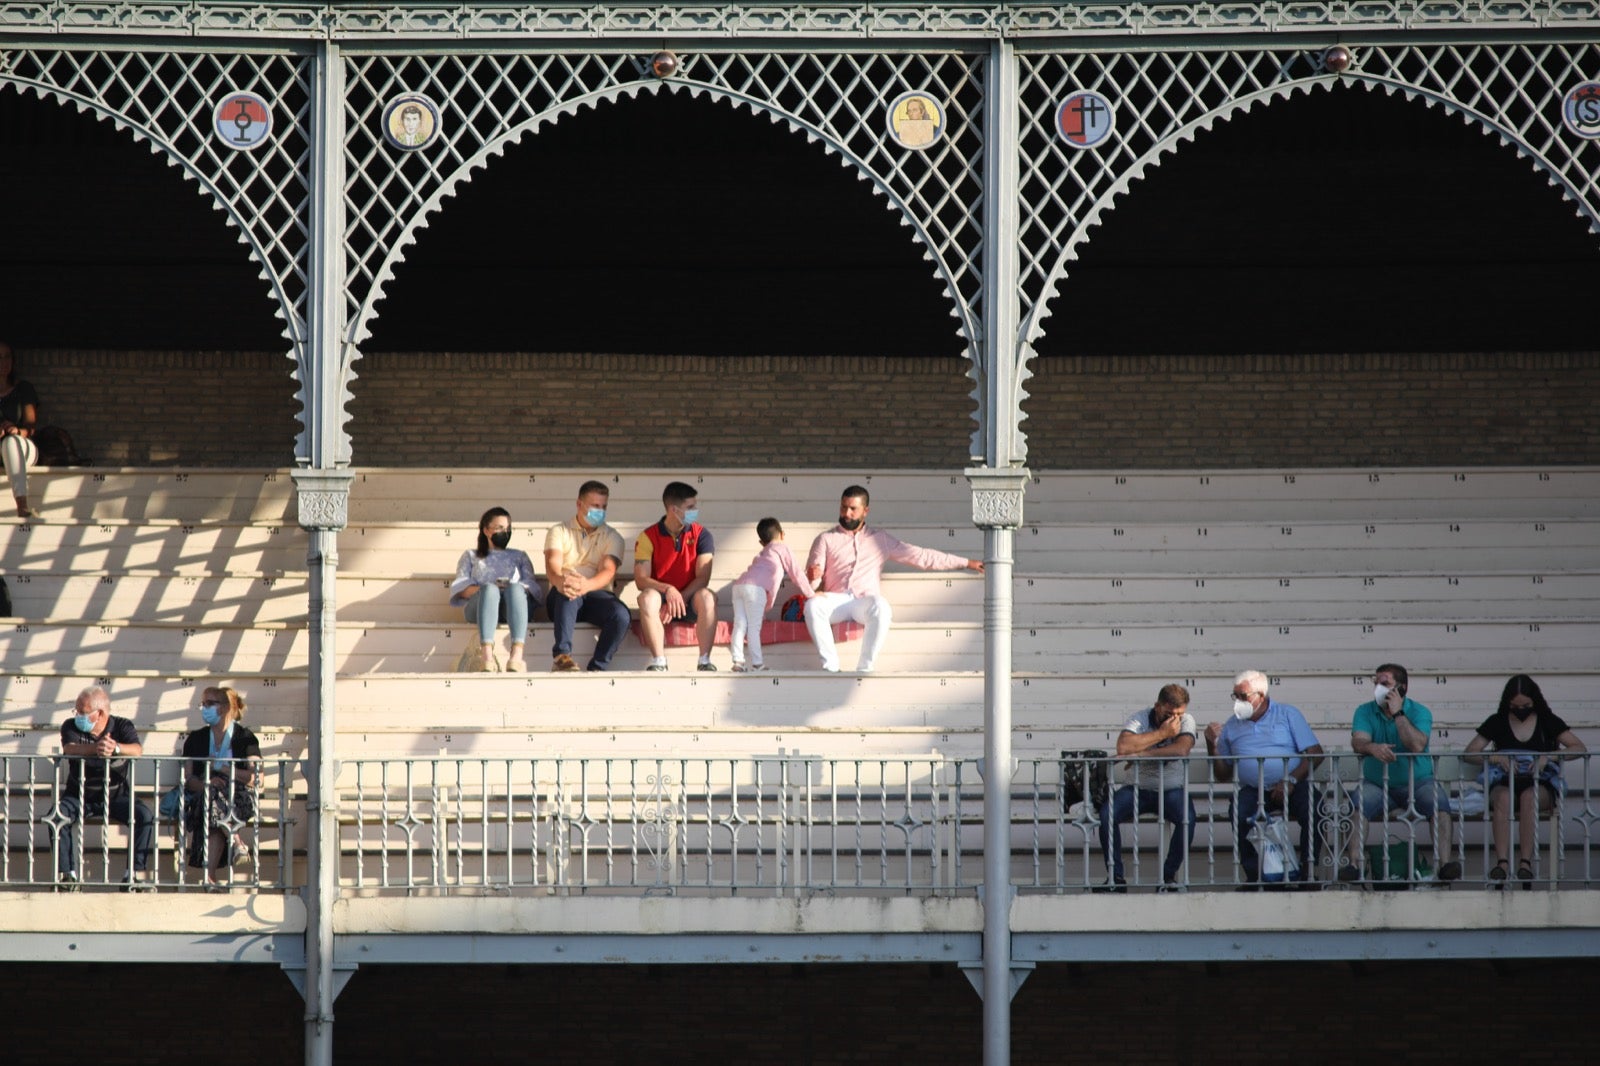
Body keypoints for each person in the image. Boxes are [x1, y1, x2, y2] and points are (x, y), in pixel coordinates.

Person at [804, 485, 982, 673]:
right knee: (812, 605)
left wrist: (966, 562)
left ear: (865, 511)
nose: (846, 513)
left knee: (881, 606)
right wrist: (812, 578)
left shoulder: (880, 539)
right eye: (843, 507)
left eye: (852, 509)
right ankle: (830, 667)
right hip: (836, 600)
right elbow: (812, 582)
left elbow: (921, 557)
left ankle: (865, 668)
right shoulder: (825, 539)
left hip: (863, 601)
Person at [1339, 662, 1459, 884]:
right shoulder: (1364, 711)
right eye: (1376, 683)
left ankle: (1444, 865)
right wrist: (1372, 748)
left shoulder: (1420, 711)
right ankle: (1354, 864)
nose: (1378, 688)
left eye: (1385, 683)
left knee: (1440, 803)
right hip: (1377, 784)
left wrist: (1398, 714)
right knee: (1358, 803)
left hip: (1418, 782)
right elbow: (1359, 741)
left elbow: (1416, 745)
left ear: (1401, 688)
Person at [1204, 670, 1326, 886]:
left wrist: (1290, 780)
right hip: (1254, 788)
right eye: (1235, 696)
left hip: (1293, 784)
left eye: (1243, 696)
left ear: (1261, 695)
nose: (1238, 702)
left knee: (1314, 808)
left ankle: (1309, 871)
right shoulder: (1231, 725)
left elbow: (1315, 753)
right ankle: (1254, 876)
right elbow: (1222, 774)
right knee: (1238, 812)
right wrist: (1212, 746)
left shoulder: (1287, 714)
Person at [1463, 674, 1587, 887]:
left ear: (1535, 701)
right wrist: (1493, 757)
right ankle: (1502, 863)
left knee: (1530, 797)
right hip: (1505, 780)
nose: (1521, 710)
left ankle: (1525, 863)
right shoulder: (1498, 721)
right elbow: (1469, 753)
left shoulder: (1547, 720)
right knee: (1503, 797)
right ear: (1507, 703)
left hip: (1539, 782)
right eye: (1515, 706)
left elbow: (1579, 748)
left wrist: (1549, 756)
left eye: (1526, 705)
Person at [1095, 683, 1197, 892]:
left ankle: (1168, 878)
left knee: (1188, 819)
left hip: (1171, 790)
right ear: (1157, 706)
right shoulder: (1140, 718)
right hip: (1137, 788)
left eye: (1179, 714)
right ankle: (1116, 879)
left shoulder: (1187, 721)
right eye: (1169, 713)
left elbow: (1181, 749)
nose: (1174, 719)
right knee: (1107, 815)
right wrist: (1162, 734)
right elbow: (1123, 746)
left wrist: (1141, 754)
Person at [49, 686, 154, 888]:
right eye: (77, 711)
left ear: (100, 714)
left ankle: (131, 875)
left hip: (116, 795)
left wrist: (115, 748)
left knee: (144, 816)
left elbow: (137, 750)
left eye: (83, 712)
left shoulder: (122, 725)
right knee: (57, 816)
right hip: (79, 795)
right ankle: (68, 876)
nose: (78, 715)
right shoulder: (70, 725)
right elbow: (69, 748)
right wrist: (96, 749)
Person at [543, 480, 631, 672]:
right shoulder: (559, 531)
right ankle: (562, 657)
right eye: (595, 506)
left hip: (595, 596)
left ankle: (597, 667)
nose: (600, 510)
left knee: (621, 615)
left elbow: (608, 570)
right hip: (562, 596)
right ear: (579, 504)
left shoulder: (613, 537)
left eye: (603, 506)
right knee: (569, 590)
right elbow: (552, 565)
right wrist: (562, 581)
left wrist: (586, 586)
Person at [179, 686, 261, 886]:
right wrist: (207, 783)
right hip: (205, 795)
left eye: (210, 704)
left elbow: (256, 777)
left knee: (212, 806)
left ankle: (210, 877)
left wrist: (226, 771)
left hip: (238, 796)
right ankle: (236, 842)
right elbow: (188, 778)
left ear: (225, 707)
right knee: (211, 800)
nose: (204, 708)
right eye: (203, 704)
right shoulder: (195, 738)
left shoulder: (245, 737)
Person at [634, 481, 717, 672]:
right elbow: (641, 579)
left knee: (707, 596)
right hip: (661, 598)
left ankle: (704, 660)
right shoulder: (648, 536)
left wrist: (680, 598)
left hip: (690, 598)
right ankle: (659, 661)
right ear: (674, 509)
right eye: (690, 507)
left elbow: (703, 577)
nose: (695, 511)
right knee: (646, 598)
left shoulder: (702, 535)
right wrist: (669, 591)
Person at [450, 506, 540, 672]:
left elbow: (532, 586)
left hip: (511, 607)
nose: (505, 532)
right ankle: (487, 657)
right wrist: (487, 589)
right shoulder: (471, 555)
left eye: (508, 528)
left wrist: (511, 588)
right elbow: (461, 588)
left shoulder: (519, 556)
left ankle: (516, 655)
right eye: (500, 528)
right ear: (486, 530)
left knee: (515, 589)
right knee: (490, 590)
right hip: (479, 607)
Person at [729, 518, 813, 673]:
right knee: (754, 628)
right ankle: (757, 664)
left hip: (739, 586)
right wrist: (810, 594)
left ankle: (738, 662)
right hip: (756, 590)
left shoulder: (762, 554)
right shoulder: (782, 548)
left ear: (761, 542)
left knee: (740, 625)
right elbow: (796, 574)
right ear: (782, 534)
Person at [1, 340, 41, 517]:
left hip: (22, 447)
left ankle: (22, 505)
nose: (3, 362)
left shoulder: (23, 389)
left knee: (11, 443)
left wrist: (17, 431)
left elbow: (31, 427)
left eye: (7, 356)